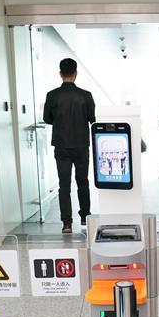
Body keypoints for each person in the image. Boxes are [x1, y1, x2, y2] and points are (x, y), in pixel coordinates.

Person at [43, 58, 96, 234]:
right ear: (75, 73)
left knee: (64, 185)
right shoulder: (86, 95)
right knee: (83, 182)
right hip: (81, 146)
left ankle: (66, 223)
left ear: (60, 73)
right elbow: (93, 119)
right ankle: (85, 217)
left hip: (61, 146)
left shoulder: (52, 95)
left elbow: (47, 119)